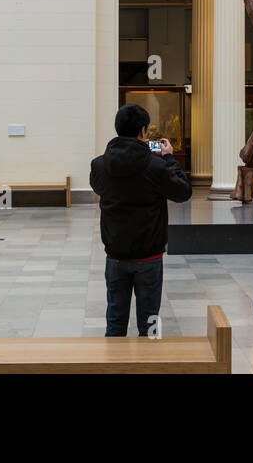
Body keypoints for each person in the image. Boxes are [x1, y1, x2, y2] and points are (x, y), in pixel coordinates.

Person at [90, 103, 192, 337]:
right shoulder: (156, 166)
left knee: (115, 322)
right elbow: (183, 192)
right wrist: (169, 159)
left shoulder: (99, 165)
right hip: (149, 257)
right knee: (150, 324)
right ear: (144, 131)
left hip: (115, 255)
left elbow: (98, 186)